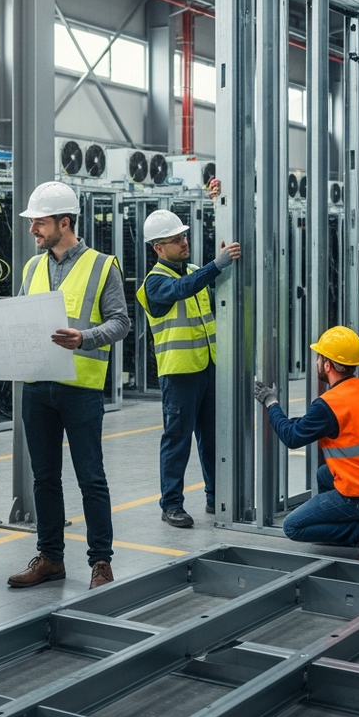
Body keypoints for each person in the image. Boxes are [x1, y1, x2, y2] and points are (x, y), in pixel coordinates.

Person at [7, 181, 129, 591]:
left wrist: (84, 338)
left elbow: (121, 322)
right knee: (44, 478)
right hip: (38, 388)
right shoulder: (31, 267)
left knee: (90, 477)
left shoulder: (102, 265)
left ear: (64, 222)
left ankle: (101, 562)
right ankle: (50, 557)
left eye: (39, 223)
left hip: (80, 389)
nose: (32, 231)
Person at [253, 327, 359, 563]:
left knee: (293, 527)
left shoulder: (329, 404)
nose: (317, 361)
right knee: (324, 475)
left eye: (319, 356)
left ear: (327, 365)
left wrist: (271, 402)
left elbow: (291, 437)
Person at [136, 209, 240, 527]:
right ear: (158, 247)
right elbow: (184, 289)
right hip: (179, 372)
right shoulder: (154, 283)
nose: (184, 242)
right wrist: (216, 265)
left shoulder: (193, 270)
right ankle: (171, 504)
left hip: (208, 367)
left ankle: (214, 496)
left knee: (211, 438)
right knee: (177, 438)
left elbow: (206, 288)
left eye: (184, 236)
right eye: (176, 239)